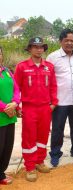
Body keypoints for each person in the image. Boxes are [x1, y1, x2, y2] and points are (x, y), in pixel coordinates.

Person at [14, 37, 58, 182]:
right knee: (29, 138)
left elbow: (53, 86)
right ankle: (30, 166)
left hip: (45, 108)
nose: (39, 50)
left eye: (41, 47)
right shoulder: (22, 67)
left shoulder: (49, 67)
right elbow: (16, 88)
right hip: (29, 108)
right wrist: (17, 105)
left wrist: (53, 103)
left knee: (42, 137)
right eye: (35, 47)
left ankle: (39, 161)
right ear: (30, 49)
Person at [46, 29, 73, 167]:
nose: (70, 43)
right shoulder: (52, 58)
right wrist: (48, 99)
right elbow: (47, 79)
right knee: (58, 129)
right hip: (59, 101)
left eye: (72, 40)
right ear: (61, 41)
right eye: (67, 40)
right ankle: (55, 154)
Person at [0, 46, 20, 185]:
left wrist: (15, 103)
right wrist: (4, 107)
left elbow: (16, 89)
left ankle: (1, 173)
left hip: (10, 116)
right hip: (2, 115)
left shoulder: (7, 71)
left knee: (7, 146)